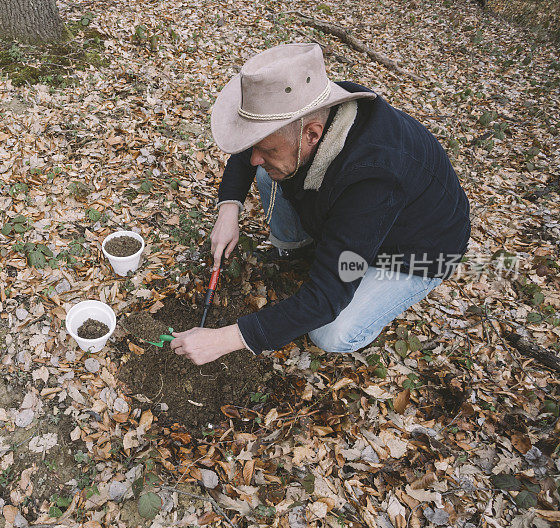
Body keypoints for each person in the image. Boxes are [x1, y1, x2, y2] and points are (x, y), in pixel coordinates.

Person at [170, 43, 470, 365]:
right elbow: (252, 149)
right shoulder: (305, 110)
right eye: (255, 146)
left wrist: (225, 339)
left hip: (413, 249)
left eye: (267, 149)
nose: (255, 157)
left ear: (312, 135)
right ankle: (297, 252)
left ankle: (362, 280)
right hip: (357, 217)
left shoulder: (373, 180)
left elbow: (326, 298)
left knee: (330, 332)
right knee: (269, 172)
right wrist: (228, 209)